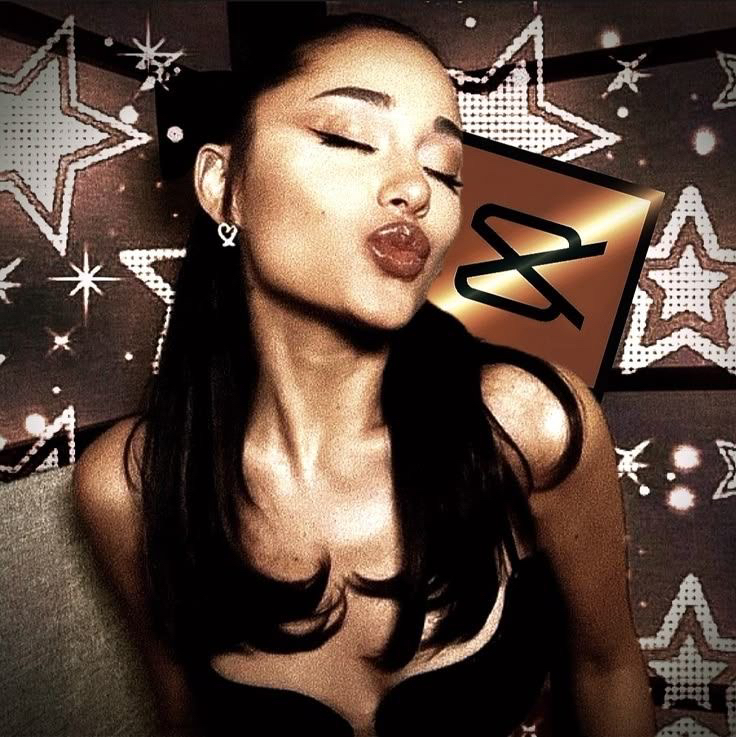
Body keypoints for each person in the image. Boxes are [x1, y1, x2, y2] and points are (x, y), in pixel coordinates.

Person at [72, 10, 657, 737]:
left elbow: (607, 670)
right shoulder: (127, 488)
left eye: (444, 170)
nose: (415, 188)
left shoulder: (531, 424)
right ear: (225, 186)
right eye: (348, 137)